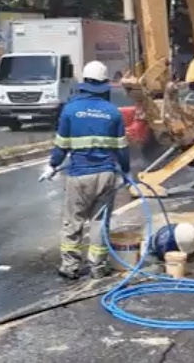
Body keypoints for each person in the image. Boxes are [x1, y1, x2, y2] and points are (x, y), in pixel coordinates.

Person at [39, 60, 130, 280]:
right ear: (104, 84)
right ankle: (98, 267)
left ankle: (70, 267)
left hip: (79, 174)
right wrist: (126, 172)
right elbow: (121, 148)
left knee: (74, 220)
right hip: (106, 174)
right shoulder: (113, 113)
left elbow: (62, 144)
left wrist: (53, 165)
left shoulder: (71, 110)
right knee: (99, 222)